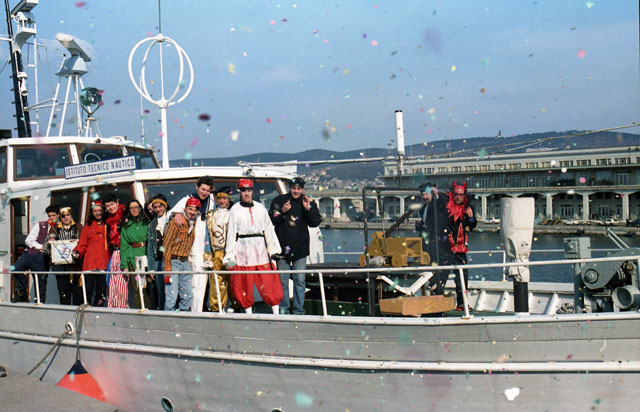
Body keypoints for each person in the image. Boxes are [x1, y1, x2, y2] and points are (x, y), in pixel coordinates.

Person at [223, 179, 283, 314]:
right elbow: (231, 234)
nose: (246, 193)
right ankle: (248, 312)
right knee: (244, 282)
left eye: (249, 190)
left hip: (260, 249)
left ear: (252, 191)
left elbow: (269, 230)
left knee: (268, 280)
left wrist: (273, 250)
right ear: (240, 192)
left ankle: (276, 312)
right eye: (243, 190)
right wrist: (230, 255)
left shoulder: (260, 208)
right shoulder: (235, 210)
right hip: (243, 250)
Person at [269, 177, 322, 315]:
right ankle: (284, 310)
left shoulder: (308, 202)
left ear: (303, 189)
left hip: (300, 249)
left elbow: (315, 222)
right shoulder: (279, 201)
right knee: (283, 282)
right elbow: (271, 220)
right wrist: (282, 211)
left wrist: (308, 209)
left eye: (299, 189)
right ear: (290, 188)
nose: (296, 191)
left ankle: (299, 311)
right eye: (294, 188)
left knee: (300, 281)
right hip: (282, 249)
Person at [12, 205, 60, 303]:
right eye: (49, 216)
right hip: (29, 254)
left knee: (40, 282)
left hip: (43, 258)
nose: (51, 218)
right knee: (16, 268)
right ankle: (22, 292)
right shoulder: (41, 225)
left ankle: (39, 303)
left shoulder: (60, 228)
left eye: (53, 215)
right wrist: (40, 246)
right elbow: (28, 240)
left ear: (58, 215)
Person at [163, 197, 201, 311]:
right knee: (171, 296)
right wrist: (167, 265)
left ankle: (183, 315)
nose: (192, 212)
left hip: (184, 262)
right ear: (185, 209)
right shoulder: (176, 222)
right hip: (173, 261)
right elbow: (166, 244)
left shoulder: (193, 223)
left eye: (195, 210)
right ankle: (168, 318)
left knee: (188, 295)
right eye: (190, 209)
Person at [415, 182, 451, 295]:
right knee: (427, 262)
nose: (424, 197)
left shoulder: (438, 204)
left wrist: (437, 192)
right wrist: (420, 226)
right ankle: (433, 283)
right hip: (426, 239)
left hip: (438, 239)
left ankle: (438, 284)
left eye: (426, 194)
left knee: (440, 262)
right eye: (422, 195)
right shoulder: (424, 208)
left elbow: (446, 200)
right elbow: (428, 222)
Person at [446, 181, 477, 310]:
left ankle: (462, 303)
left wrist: (471, 217)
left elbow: (472, 226)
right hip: (445, 249)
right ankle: (436, 302)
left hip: (460, 249)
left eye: (461, 194)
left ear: (464, 196)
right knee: (441, 275)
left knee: (462, 278)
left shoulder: (468, 209)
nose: (458, 197)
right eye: (456, 194)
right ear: (452, 194)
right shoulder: (446, 207)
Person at [72, 201, 111, 305]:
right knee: (87, 293)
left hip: (104, 265)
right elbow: (82, 244)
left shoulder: (108, 226)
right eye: (95, 211)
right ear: (92, 213)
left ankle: (98, 312)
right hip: (90, 265)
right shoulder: (87, 227)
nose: (98, 213)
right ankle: (87, 313)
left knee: (101, 295)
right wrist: (77, 252)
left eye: (100, 210)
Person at [205, 186, 233, 312]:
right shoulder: (212, 215)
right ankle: (217, 307)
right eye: (219, 198)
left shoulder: (233, 213)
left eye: (224, 198)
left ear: (229, 199)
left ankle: (235, 305)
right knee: (217, 279)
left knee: (233, 279)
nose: (222, 201)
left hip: (231, 252)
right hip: (217, 251)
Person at [120, 199, 150, 309]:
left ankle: (153, 311)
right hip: (133, 258)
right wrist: (124, 265)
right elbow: (124, 246)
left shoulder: (147, 222)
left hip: (147, 256)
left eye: (136, 207)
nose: (134, 210)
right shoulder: (126, 225)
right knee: (138, 288)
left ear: (140, 208)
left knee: (150, 287)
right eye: (131, 208)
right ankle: (141, 311)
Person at [50, 206, 83, 305]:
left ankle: (78, 314)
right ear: (60, 217)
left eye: (68, 215)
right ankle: (65, 313)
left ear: (71, 215)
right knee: (64, 296)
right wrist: (50, 244)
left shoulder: (79, 228)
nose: (66, 218)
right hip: (61, 270)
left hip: (76, 268)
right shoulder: (54, 229)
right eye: (63, 216)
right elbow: (47, 249)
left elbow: (84, 245)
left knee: (78, 295)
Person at [104, 193, 127, 308]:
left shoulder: (125, 215)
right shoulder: (108, 220)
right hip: (114, 253)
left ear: (117, 202)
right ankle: (112, 307)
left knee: (121, 283)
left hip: (124, 251)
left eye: (112, 204)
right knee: (112, 283)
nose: (110, 207)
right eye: (107, 206)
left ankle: (122, 307)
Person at [147, 194, 170, 310]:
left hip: (171, 259)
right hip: (159, 260)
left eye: (160, 206)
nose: (158, 209)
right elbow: (150, 247)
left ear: (165, 206)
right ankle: (162, 311)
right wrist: (151, 267)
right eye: (155, 207)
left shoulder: (171, 219)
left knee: (172, 288)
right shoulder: (152, 225)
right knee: (160, 290)